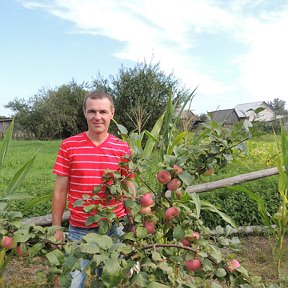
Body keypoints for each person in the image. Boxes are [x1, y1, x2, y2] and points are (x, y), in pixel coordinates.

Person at [51, 90, 135, 287]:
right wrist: (56, 228)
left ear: (112, 113)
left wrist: (134, 222)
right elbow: (60, 190)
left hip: (113, 227)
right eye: (92, 111)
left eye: (103, 112)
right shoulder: (69, 146)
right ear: (85, 112)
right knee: (72, 283)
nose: (98, 117)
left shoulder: (122, 148)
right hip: (79, 229)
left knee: (105, 281)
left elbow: (128, 186)